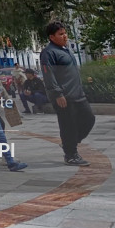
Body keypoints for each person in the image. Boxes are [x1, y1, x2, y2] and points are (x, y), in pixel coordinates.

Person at [40, 21, 95, 166]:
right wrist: (58, 94)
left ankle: (69, 143)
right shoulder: (48, 53)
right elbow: (48, 75)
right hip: (64, 97)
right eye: (61, 34)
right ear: (52, 37)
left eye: (65, 33)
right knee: (68, 125)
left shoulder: (66, 50)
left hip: (77, 94)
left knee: (89, 119)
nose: (65, 36)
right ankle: (71, 155)